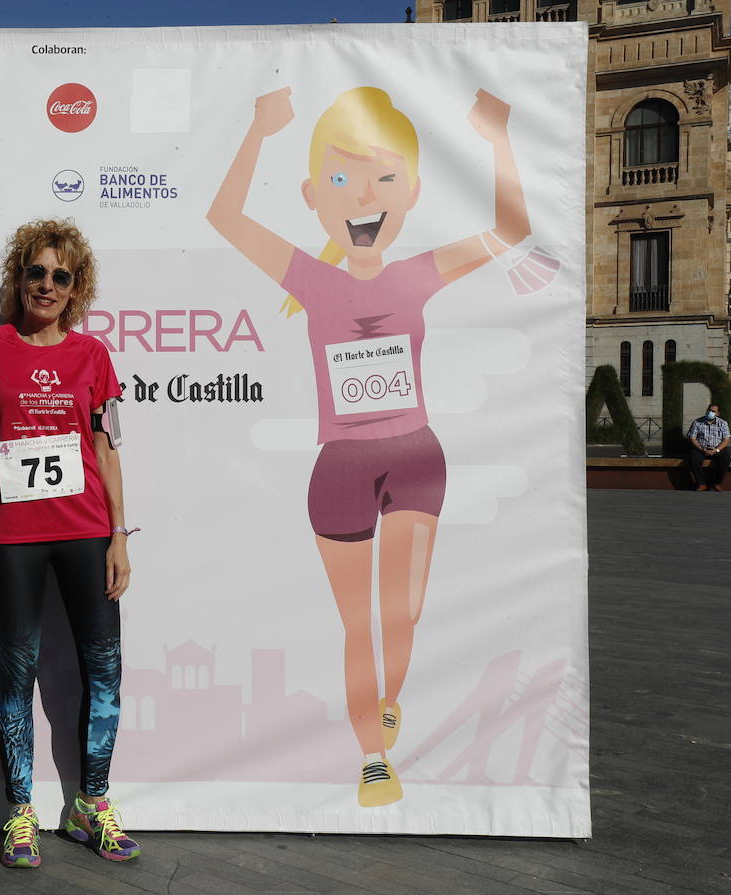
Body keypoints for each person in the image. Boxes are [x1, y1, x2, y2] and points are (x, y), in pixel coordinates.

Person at [207, 86, 530, 806]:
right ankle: (374, 755)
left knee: (403, 612)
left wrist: (497, 138)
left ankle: (385, 696)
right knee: (360, 622)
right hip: (342, 470)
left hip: (416, 457)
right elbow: (224, 217)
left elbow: (509, 229)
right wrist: (258, 130)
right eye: (342, 180)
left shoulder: (419, 275)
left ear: (410, 193)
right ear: (313, 194)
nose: (363, 197)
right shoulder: (311, 280)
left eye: (383, 179)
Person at [0, 218, 140, 867]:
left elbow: (108, 450)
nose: (47, 284)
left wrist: (119, 534)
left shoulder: (95, 357)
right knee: (15, 672)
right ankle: (21, 813)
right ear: (20, 277)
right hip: (11, 536)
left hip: (87, 530)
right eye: (37, 271)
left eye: (61, 274)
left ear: (75, 285)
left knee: (105, 670)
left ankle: (92, 805)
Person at [684, 404, 730, 491]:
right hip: (701, 448)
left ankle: (717, 483)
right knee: (694, 458)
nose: (710, 412)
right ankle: (701, 483)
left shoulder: (723, 423)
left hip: (717, 448)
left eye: (713, 411)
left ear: (718, 413)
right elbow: (692, 438)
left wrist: (716, 450)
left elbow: (726, 439)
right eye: (709, 410)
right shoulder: (697, 422)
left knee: (725, 459)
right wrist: (701, 448)